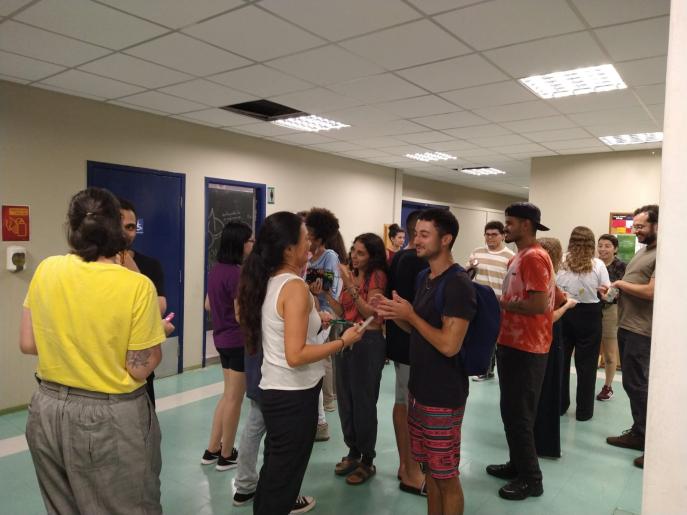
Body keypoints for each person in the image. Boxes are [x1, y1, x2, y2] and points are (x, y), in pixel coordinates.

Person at [20, 187, 169, 514]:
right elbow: (140, 367)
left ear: (71, 228)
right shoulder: (136, 285)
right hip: (109, 417)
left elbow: (29, 343)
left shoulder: (46, 269)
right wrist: (154, 334)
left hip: (46, 410)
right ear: (117, 229)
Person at [237, 211, 364, 515]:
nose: (310, 244)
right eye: (305, 239)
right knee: (283, 479)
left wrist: (316, 323)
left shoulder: (274, 280)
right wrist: (342, 342)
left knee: (277, 473)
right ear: (288, 249)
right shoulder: (294, 287)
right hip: (292, 396)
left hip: (279, 391)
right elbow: (295, 355)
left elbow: (283, 331)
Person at [377, 208, 476, 515]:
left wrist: (410, 316)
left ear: (445, 240)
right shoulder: (425, 276)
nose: (415, 240)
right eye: (415, 233)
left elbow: (449, 344)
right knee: (430, 471)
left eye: (424, 234)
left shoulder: (458, 284)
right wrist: (399, 315)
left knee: (446, 477)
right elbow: (418, 329)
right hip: (419, 392)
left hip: (443, 397)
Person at [486, 202, 555, 501]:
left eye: (510, 223)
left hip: (528, 348)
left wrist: (503, 304)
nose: (506, 228)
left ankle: (531, 479)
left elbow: (539, 305)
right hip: (513, 345)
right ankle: (517, 464)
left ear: (526, 225)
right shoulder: (521, 257)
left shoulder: (534, 258)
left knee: (520, 416)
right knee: (511, 412)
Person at [326, 233, 388, 485]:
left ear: (372, 256)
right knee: (346, 400)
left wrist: (350, 284)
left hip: (368, 343)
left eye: (361, 253)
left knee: (364, 402)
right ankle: (353, 450)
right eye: (353, 250)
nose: (354, 255)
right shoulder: (350, 274)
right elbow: (343, 311)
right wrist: (325, 295)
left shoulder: (376, 276)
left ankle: (367, 459)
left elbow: (370, 312)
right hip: (347, 338)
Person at [606, 205, 658, 469]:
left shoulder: (663, 254)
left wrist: (620, 284)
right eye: (634, 226)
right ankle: (639, 433)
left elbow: (651, 292)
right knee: (631, 384)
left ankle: (650, 442)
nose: (636, 230)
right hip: (627, 325)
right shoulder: (644, 253)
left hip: (641, 330)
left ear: (657, 226)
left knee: (638, 386)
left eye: (641, 226)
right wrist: (614, 289)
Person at [200, 222, 253, 471]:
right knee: (235, 398)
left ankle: (212, 449)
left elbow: (208, 305)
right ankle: (227, 453)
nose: (252, 245)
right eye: (250, 241)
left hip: (221, 341)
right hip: (238, 342)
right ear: (239, 244)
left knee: (227, 395)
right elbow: (241, 314)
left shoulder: (217, 270)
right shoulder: (237, 274)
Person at [385, 209, 427, 496]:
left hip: (404, 343)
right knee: (409, 406)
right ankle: (410, 471)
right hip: (410, 345)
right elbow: (401, 307)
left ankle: (408, 466)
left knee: (404, 402)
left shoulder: (401, 257)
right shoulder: (411, 261)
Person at [557, 226, 610, 421]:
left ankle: (560, 406)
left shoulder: (561, 260)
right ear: (591, 243)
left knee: (561, 362)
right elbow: (606, 292)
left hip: (565, 311)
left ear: (571, 241)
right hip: (590, 316)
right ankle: (584, 412)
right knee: (587, 366)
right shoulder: (598, 265)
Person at [119, 197, 168, 406]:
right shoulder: (89, 269)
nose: (124, 233)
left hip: (139, 370)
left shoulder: (149, 265)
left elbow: (158, 307)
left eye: (130, 227)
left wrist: (131, 267)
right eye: (118, 226)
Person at [533, 238, 578, 458]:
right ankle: (543, 443)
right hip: (546, 340)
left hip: (538, 340)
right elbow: (548, 318)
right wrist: (568, 305)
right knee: (547, 390)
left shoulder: (539, 276)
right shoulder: (547, 279)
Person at [304, 208, 343, 440]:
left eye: (309, 234)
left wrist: (325, 310)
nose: (306, 238)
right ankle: (317, 418)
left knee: (319, 364)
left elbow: (333, 289)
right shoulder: (305, 256)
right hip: (308, 313)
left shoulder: (329, 256)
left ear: (319, 237)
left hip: (324, 316)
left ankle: (322, 417)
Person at [466, 220, 514, 381]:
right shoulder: (477, 252)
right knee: (480, 336)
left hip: (499, 303)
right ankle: (484, 369)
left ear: (502, 236)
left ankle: (492, 369)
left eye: (494, 235)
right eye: (487, 234)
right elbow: (467, 274)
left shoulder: (510, 257)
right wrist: (470, 267)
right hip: (478, 301)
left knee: (496, 338)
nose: (490, 238)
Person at [596, 234, 627, 401]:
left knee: (609, 353)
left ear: (615, 249)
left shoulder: (621, 266)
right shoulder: (594, 264)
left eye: (607, 246)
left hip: (610, 310)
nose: (602, 249)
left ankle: (608, 387)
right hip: (592, 310)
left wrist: (605, 295)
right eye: (600, 245)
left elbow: (619, 292)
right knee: (591, 350)